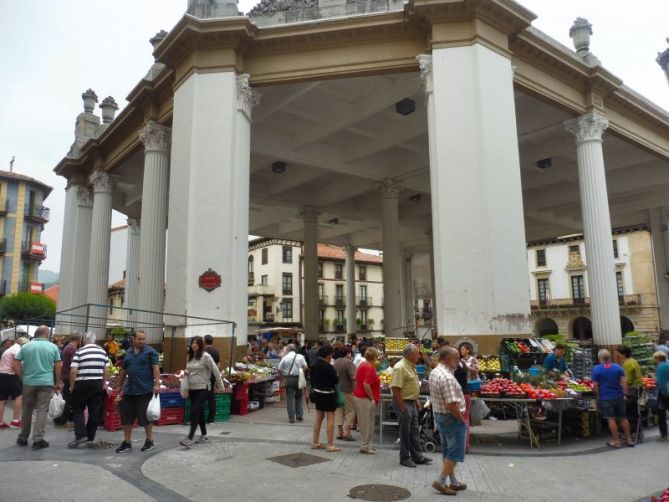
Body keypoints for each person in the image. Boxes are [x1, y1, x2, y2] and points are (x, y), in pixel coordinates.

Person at [15, 326, 61, 450]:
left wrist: (22, 376)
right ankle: (38, 439)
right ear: (46, 334)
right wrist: (57, 382)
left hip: (29, 382)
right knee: (42, 410)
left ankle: (23, 438)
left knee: (27, 409)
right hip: (46, 382)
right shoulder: (53, 347)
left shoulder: (26, 346)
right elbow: (58, 365)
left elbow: (16, 363)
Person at [430, 347, 468, 495]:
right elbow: (451, 404)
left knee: (448, 450)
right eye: (456, 358)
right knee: (455, 451)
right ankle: (440, 481)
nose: (458, 362)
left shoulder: (435, 371)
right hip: (451, 418)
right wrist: (461, 419)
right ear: (447, 359)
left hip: (440, 416)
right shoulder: (447, 377)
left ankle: (453, 482)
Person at [115, 330, 160, 453]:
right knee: (127, 418)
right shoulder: (128, 352)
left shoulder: (151, 352)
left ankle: (149, 440)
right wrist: (119, 386)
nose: (142, 341)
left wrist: (157, 383)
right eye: (139, 339)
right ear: (133, 339)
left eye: (143, 339)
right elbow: (124, 370)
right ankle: (127, 442)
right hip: (129, 390)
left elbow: (156, 368)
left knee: (146, 418)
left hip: (144, 389)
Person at [391, 344, 432, 468]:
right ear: (409, 355)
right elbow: (395, 388)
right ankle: (404, 457)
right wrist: (402, 406)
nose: (419, 356)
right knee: (405, 432)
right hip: (403, 402)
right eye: (417, 353)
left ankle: (417, 456)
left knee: (414, 430)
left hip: (412, 402)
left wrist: (416, 400)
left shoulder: (411, 365)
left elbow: (411, 385)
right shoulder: (400, 367)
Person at [68, 332, 110, 448]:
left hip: (82, 383)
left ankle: (81, 435)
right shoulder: (102, 351)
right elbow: (106, 370)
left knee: (78, 409)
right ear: (94, 340)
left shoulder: (80, 351)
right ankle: (90, 436)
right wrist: (104, 383)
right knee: (94, 410)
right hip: (97, 384)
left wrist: (72, 386)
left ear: (83, 340)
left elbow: (73, 371)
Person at [180, 336, 224, 448]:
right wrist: (186, 372)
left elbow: (215, 370)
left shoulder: (206, 356)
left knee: (194, 411)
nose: (194, 345)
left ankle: (189, 438)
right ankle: (204, 435)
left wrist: (221, 385)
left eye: (196, 343)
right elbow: (188, 369)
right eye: (192, 343)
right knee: (199, 413)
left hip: (204, 388)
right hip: (192, 388)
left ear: (201, 344)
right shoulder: (189, 356)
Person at [592, 348, 633, 448]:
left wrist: (598, 395)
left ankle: (616, 441)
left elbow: (595, 385)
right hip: (619, 396)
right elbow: (624, 381)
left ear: (599, 358)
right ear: (609, 357)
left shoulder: (596, 369)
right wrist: (625, 394)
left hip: (606, 397)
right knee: (623, 418)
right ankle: (629, 439)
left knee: (611, 419)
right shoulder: (617, 367)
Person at [310, 345, 341, 452]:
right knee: (330, 418)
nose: (331, 356)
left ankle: (315, 442)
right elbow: (335, 381)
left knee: (318, 417)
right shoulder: (329, 367)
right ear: (328, 355)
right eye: (331, 354)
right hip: (328, 394)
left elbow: (312, 380)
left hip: (317, 393)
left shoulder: (314, 365)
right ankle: (330, 445)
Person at [353, 347, 380, 454]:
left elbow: (356, 378)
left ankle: (368, 444)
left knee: (366, 422)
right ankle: (365, 446)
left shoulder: (362, 365)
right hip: (364, 398)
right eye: (377, 356)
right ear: (374, 357)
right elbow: (366, 384)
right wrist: (372, 398)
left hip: (360, 397)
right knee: (367, 423)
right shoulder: (369, 367)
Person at [54, 333, 83, 427]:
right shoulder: (72, 349)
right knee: (68, 399)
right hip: (68, 377)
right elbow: (74, 364)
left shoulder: (67, 347)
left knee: (67, 398)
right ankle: (63, 420)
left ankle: (61, 419)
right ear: (79, 339)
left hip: (65, 375)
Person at [0, 337, 28, 428]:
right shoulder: (17, 349)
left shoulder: (11, 348)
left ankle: (0, 422)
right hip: (9, 375)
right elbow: (16, 365)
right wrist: (21, 376)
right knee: (19, 395)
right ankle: (15, 421)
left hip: (2, 374)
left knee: (2, 399)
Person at [278, 344, 307, 423]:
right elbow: (306, 367)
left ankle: (291, 418)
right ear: (295, 349)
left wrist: (282, 379)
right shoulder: (300, 356)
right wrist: (301, 371)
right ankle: (299, 416)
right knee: (299, 397)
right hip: (298, 379)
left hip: (289, 379)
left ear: (288, 350)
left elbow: (279, 369)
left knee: (290, 398)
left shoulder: (285, 358)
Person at [618, 345, 642, 437]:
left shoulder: (627, 364)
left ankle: (631, 431)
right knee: (634, 410)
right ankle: (636, 430)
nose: (618, 355)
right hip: (637, 388)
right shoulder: (633, 361)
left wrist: (625, 393)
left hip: (632, 390)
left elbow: (627, 381)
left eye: (619, 354)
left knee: (629, 411)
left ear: (623, 354)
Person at [333, 346, 356, 441]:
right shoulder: (349, 362)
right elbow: (353, 376)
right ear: (348, 353)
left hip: (337, 389)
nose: (351, 355)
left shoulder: (336, 361)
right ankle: (347, 431)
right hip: (348, 389)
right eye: (350, 353)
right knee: (351, 411)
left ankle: (339, 432)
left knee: (339, 410)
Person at [203, 334, 221, 424]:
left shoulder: (203, 351)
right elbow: (218, 365)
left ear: (205, 341)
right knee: (211, 397)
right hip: (212, 377)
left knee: (201, 397)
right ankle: (211, 419)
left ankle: (199, 419)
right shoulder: (216, 351)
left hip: (204, 377)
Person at [653, 351, 669, 441]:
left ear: (658, 358)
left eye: (655, 358)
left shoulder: (660, 367)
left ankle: (664, 435)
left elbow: (661, 382)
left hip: (664, 393)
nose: (654, 360)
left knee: (661, 414)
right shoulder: (668, 364)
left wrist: (665, 393)